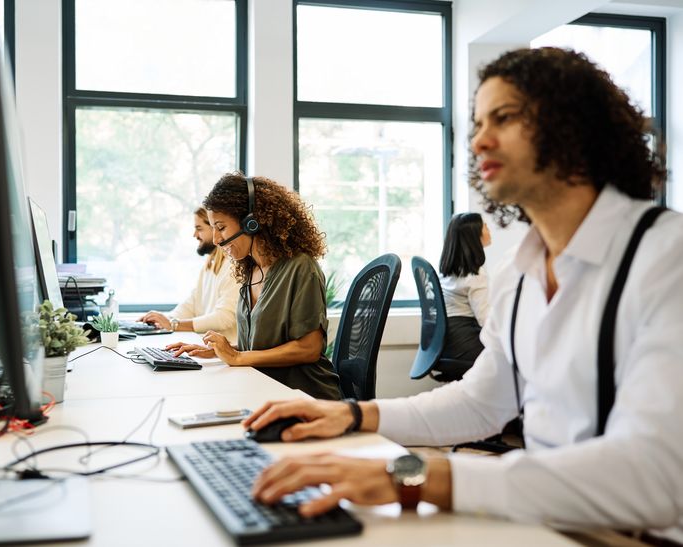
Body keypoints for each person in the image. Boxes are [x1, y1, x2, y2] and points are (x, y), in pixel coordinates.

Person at [243, 47, 683, 544]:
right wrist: (351, 414)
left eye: (505, 117)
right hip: (544, 520)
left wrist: (419, 479)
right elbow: (481, 403)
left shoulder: (667, 257)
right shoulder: (521, 274)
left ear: (577, 128)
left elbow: (655, 476)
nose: (479, 140)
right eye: (476, 123)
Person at [166, 173, 342, 400]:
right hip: (264, 388)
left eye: (221, 227)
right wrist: (221, 352)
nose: (217, 240)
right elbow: (264, 345)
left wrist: (238, 358)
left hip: (304, 395)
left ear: (252, 222)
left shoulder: (300, 268)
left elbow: (308, 348)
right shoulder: (251, 270)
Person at [140, 207, 240, 342]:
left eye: (199, 229)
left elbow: (224, 317)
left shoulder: (233, 266)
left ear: (215, 228)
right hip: (207, 347)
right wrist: (164, 320)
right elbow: (192, 304)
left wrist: (173, 325)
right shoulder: (210, 264)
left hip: (224, 352)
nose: (195, 235)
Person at [438, 212, 491, 364]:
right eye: (485, 226)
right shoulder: (475, 275)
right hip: (464, 341)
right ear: (474, 235)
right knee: (511, 356)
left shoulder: (448, 270)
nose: (489, 229)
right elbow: (485, 319)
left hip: (445, 341)